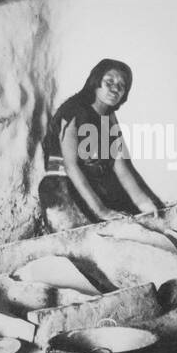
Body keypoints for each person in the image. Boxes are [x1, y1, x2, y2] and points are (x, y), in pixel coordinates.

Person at [40, 59, 162, 231]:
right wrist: (102, 211)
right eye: (109, 82)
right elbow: (71, 166)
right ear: (95, 82)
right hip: (61, 187)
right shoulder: (73, 110)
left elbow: (120, 166)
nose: (115, 89)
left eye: (122, 85)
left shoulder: (109, 116)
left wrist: (144, 203)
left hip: (88, 186)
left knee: (132, 224)